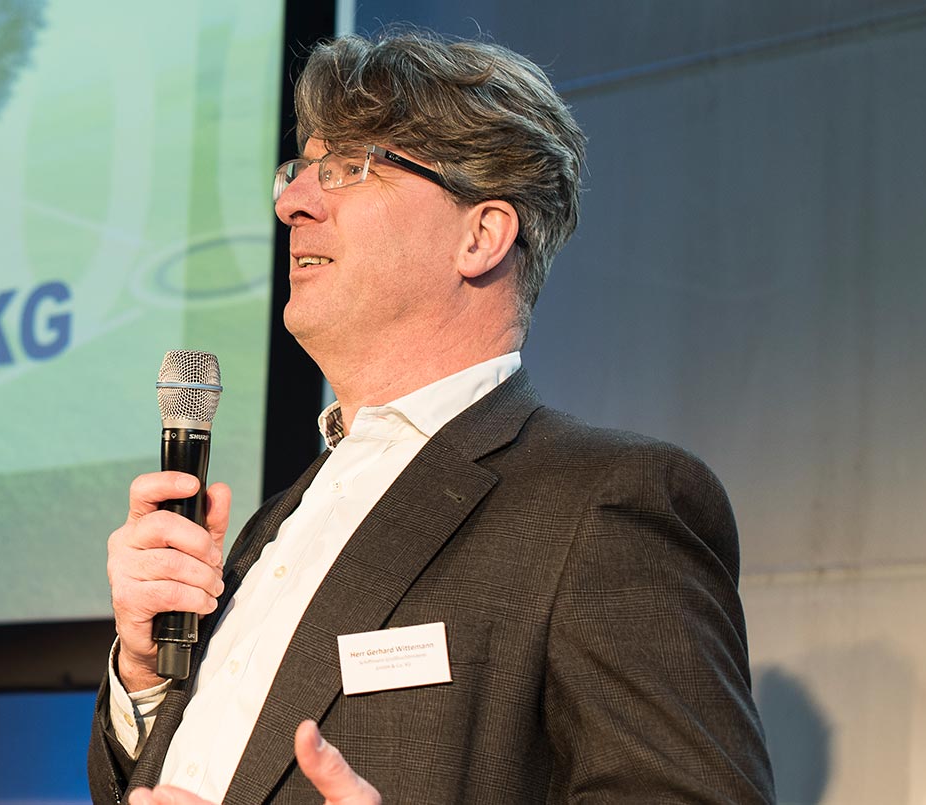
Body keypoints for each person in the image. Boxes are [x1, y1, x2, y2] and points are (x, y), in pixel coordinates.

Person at [89, 30, 775, 805]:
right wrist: (143, 675)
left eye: (349, 166)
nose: (291, 201)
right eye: (299, 169)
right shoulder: (274, 525)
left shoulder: (604, 501)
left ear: (480, 236)